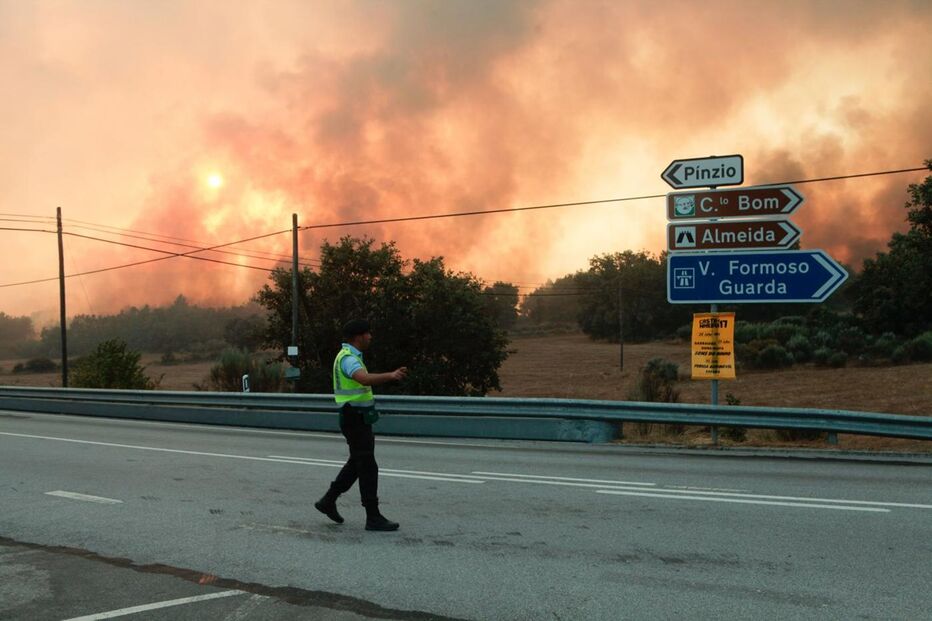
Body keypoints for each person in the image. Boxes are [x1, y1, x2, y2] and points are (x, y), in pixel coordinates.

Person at [315, 319, 408, 531]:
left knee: (358, 463)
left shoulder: (350, 356)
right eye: (368, 333)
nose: (371, 337)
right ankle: (373, 517)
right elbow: (363, 379)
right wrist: (391, 375)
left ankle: (328, 500)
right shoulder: (348, 359)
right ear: (358, 336)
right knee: (367, 466)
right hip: (354, 417)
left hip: (358, 417)